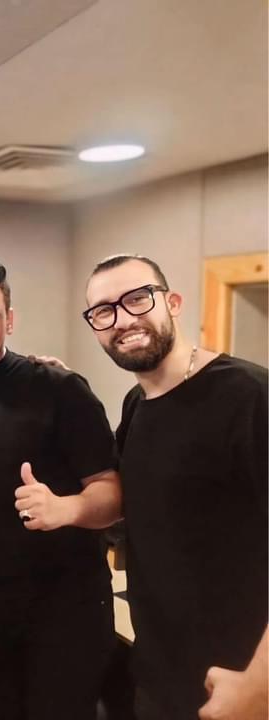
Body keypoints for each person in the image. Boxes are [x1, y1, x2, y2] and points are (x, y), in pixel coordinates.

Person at [0, 260, 122, 720]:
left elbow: (111, 492)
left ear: (9, 320)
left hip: (66, 605)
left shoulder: (60, 388)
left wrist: (65, 509)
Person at [84, 254, 268, 720]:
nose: (122, 319)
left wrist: (258, 684)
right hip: (160, 677)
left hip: (237, 681)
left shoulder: (251, 396)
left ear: (173, 302)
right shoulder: (136, 404)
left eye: (137, 299)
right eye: (104, 311)